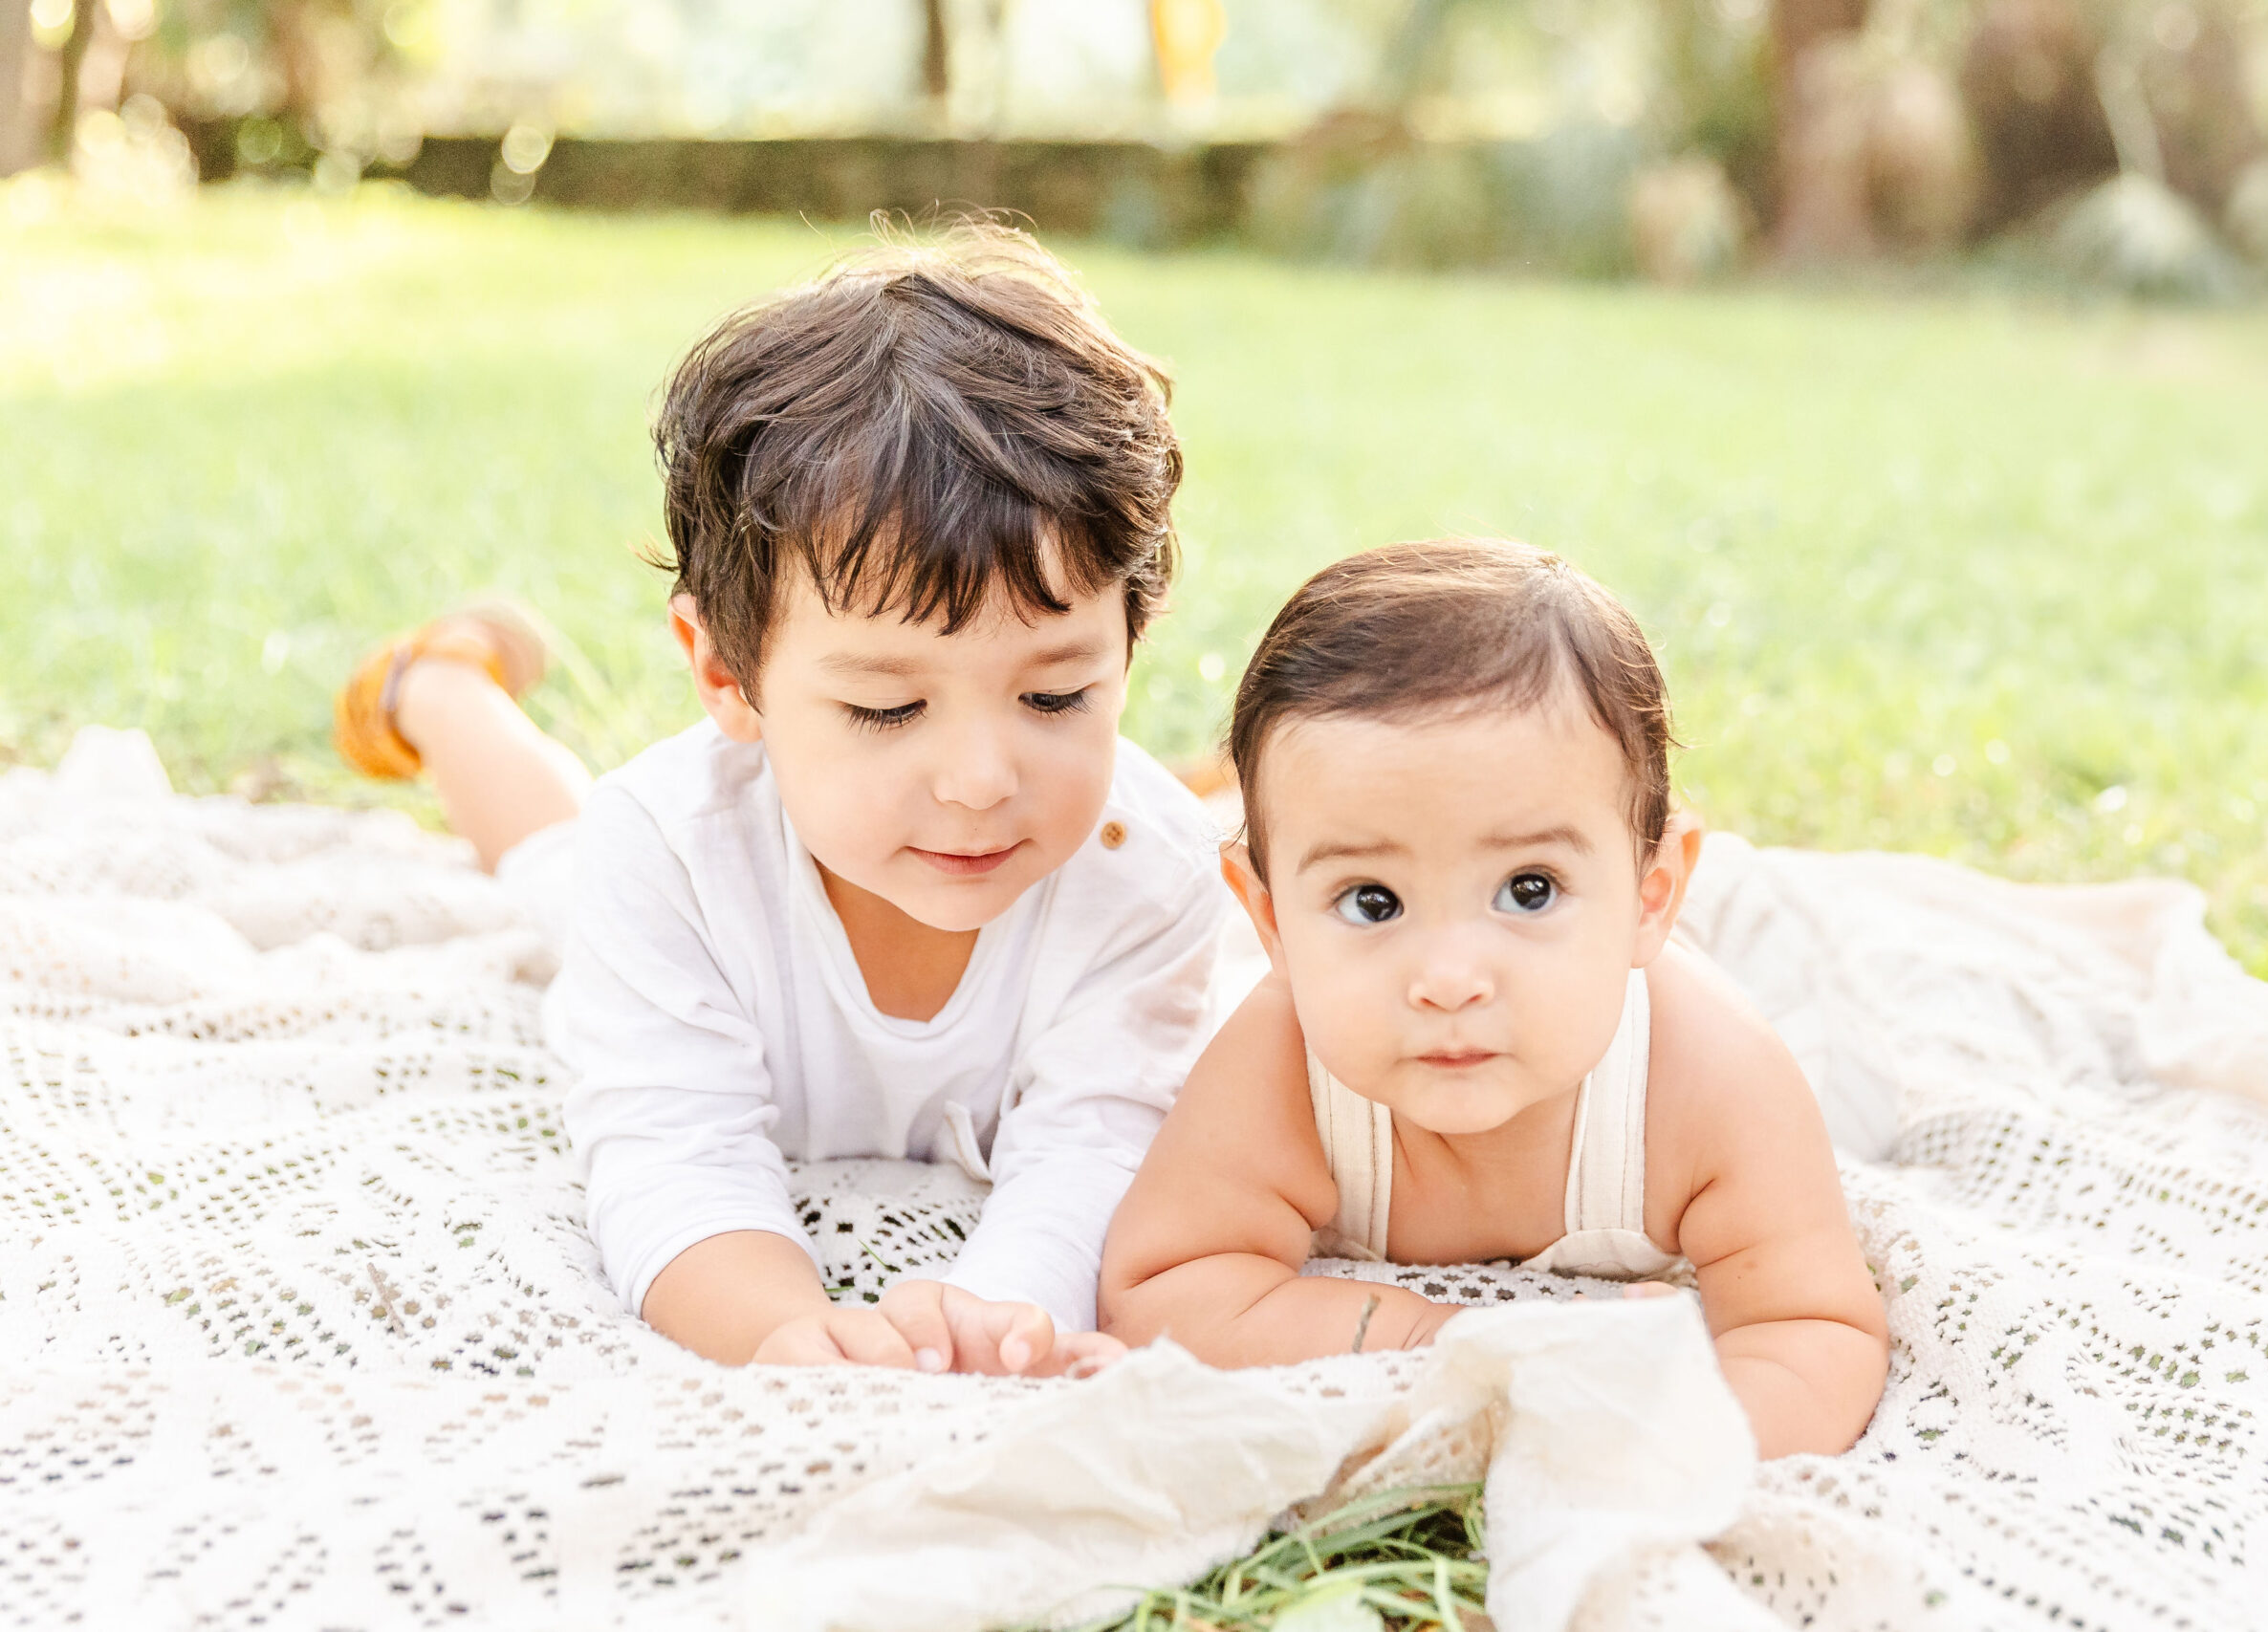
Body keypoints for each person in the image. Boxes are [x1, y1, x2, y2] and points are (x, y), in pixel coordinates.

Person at [333, 225, 1226, 1380]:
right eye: (887, 710)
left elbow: (1099, 1150)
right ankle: (440, 687)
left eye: (1054, 694)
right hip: (652, 865)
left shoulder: (1145, 868)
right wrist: (782, 1331)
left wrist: (989, 1325)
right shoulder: (668, 855)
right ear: (724, 674)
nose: (979, 780)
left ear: (1129, 641)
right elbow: (671, 1155)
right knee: (553, 863)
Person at [1099, 539, 1888, 1458]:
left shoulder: (1714, 1081)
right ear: (1271, 926)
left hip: (1757, 1004)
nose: (1448, 978)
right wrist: (1430, 1342)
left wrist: (1678, 1438)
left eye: (1528, 889)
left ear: (1651, 898)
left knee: (1853, 1069)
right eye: (1373, 902)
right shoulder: (1280, 1066)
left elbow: (1813, 1327)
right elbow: (1162, 1287)